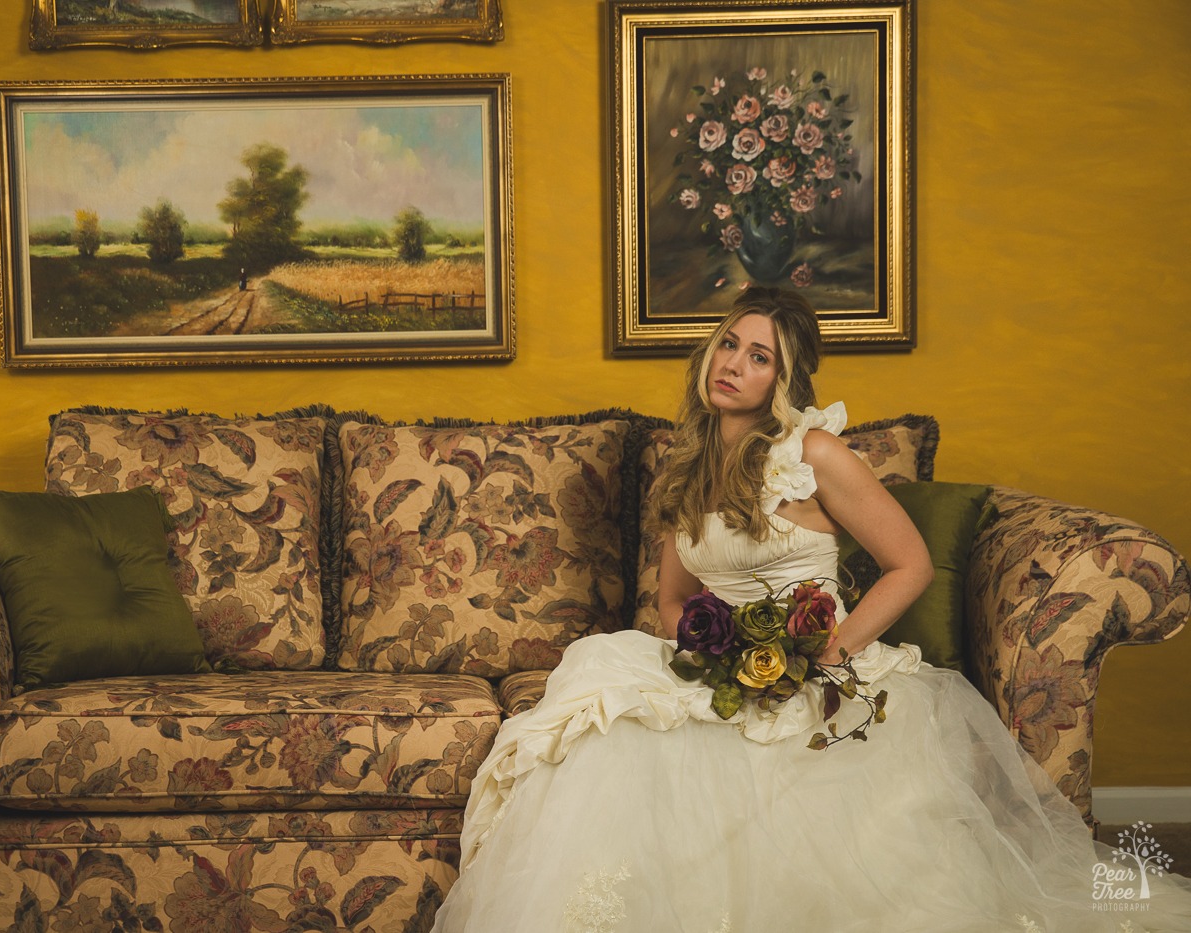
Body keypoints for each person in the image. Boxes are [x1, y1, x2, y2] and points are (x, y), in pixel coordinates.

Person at [431, 287, 1191, 932]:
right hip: (719, 666)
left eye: (759, 357)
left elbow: (911, 564)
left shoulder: (814, 454)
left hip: (816, 668)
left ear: (782, 378)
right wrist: (707, 647)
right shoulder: (687, 464)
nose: (734, 364)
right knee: (601, 729)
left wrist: (827, 651)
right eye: (730, 345)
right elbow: (670, 599)